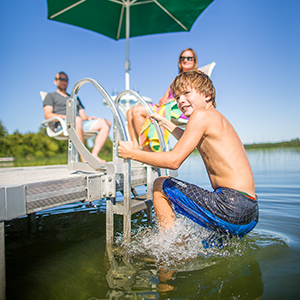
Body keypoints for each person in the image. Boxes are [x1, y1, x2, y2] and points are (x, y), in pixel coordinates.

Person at [118, 70, 258, 237]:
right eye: (177, 97)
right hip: (249, 212)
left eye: (186, 93)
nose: (180, 101)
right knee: (209, 246)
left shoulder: (200, 115)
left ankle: (169, 248)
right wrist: (166, 123)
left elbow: (173, 161)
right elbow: (189, 138)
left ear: (207, 95)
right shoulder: (215, 117)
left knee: (160, 184)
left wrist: (131, 153)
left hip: (230, 206)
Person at [126, 48, 198, 151]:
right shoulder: (176, 79)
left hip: (177, 108)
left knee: (137, 111)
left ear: (194, 61)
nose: (185, 60)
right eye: (182, 58)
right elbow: (165, 96)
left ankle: (147, 150)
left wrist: (170, 100)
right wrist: (163, 100)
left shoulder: (195, 76)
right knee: (129, 112)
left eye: (189, 58)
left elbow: (189, 95)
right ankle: (136, 148)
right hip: (167, 106)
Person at [43, 71, 111, 163]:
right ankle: (84, 157)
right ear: (55, 81)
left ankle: (94, 155)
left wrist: (88, 118)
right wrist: (67, 117)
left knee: (105, 123)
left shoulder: (74, 98)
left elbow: (83, 115)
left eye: (65, 79)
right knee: (77, 119)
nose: (63, 81)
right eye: (61, 79)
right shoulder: (50, 96)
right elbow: (48, 115)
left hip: (79, 123)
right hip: (62, 124)